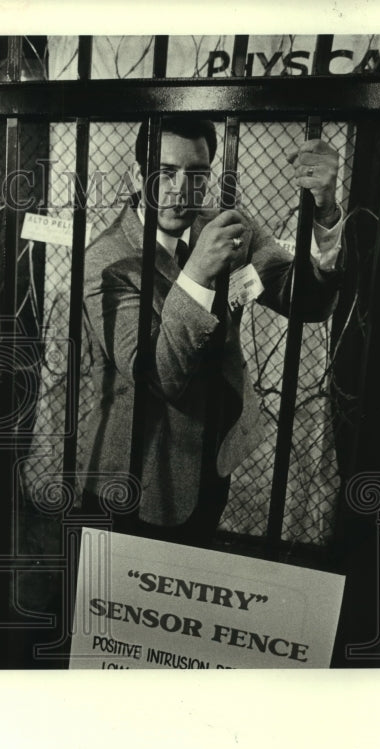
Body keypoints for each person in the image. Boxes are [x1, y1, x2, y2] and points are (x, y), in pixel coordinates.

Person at [77, 117, 344, 540]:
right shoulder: (105, 259)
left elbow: (307, 303)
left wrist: (325, 207)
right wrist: (199, 272)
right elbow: (157, 374)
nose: (181, 192)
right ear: (136, 175)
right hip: (134, 473)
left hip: (209, 464)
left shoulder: (228, 228)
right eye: (164, 173)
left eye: (196, 175)